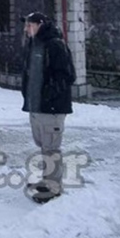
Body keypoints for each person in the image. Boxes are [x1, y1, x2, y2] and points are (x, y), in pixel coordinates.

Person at [20, 12, 76, 203]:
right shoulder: (35, 45)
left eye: (29, 25)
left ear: (40, 25)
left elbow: (67, 76)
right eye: (26, 26)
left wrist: (48, 95)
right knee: (44, 146)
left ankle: (53, 188)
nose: (26, 29)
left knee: (52, 148)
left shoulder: (55, 45)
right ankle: (47, 181)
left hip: (51, 108)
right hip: (36, 107)